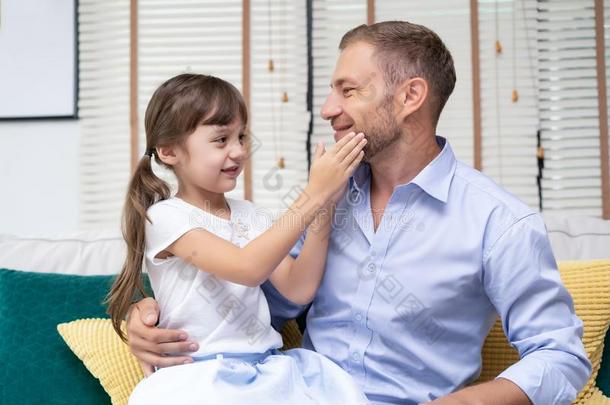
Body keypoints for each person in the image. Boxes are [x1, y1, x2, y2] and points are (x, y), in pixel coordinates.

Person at [126, 22, 592, 405]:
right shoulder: (326, 195)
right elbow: (257, 294)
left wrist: (467, 402)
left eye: (348, 91)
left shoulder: (498, 222)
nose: (328, 110)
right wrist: (144, 317)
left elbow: (560, 355)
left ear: (411, 97)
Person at [106, 73, 370, 404]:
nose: (239, 151)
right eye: (221, 140)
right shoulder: (165, 218)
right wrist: (312, 195)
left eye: (242, 137)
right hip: (200, 375)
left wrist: (326, 206)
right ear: (169, 151)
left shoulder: (251, 215)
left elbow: (299, 289)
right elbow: (248, 268)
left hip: (263, 368)